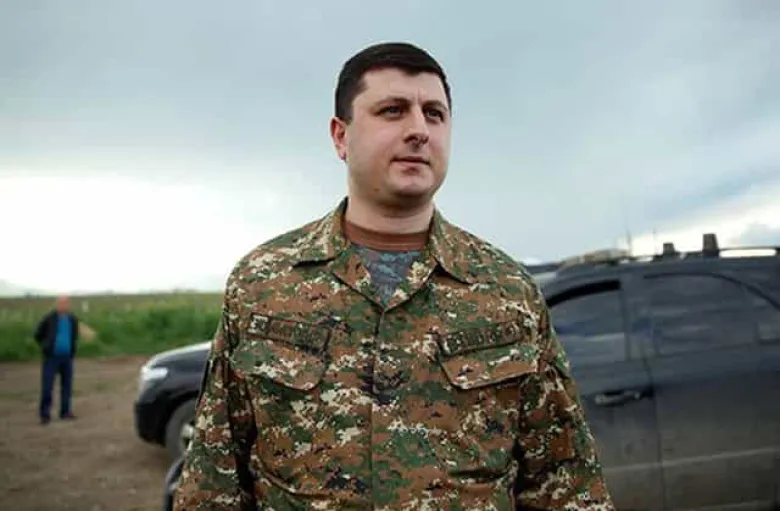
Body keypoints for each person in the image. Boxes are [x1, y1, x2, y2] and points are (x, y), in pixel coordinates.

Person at [174, 42, 614, 510]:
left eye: (434, 114)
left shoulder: (508, 292)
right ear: (340, 136)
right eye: (393, 111)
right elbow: (213, 478)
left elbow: (566, 483)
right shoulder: (263, 283)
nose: (419, 130)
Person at [33, 294, 79, 424]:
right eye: (61, 303)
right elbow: (37, 333)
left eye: (66, 303)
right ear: (57, 304)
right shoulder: (49, 318)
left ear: (68, 305)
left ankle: (65, 412)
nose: (63, 305)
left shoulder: (72, 319)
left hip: (67, 358)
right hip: (51, 358)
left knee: (67, 386)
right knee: (47, 386)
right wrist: (45, 346)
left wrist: (72, 350)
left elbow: (74, 336)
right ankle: (45, 414)